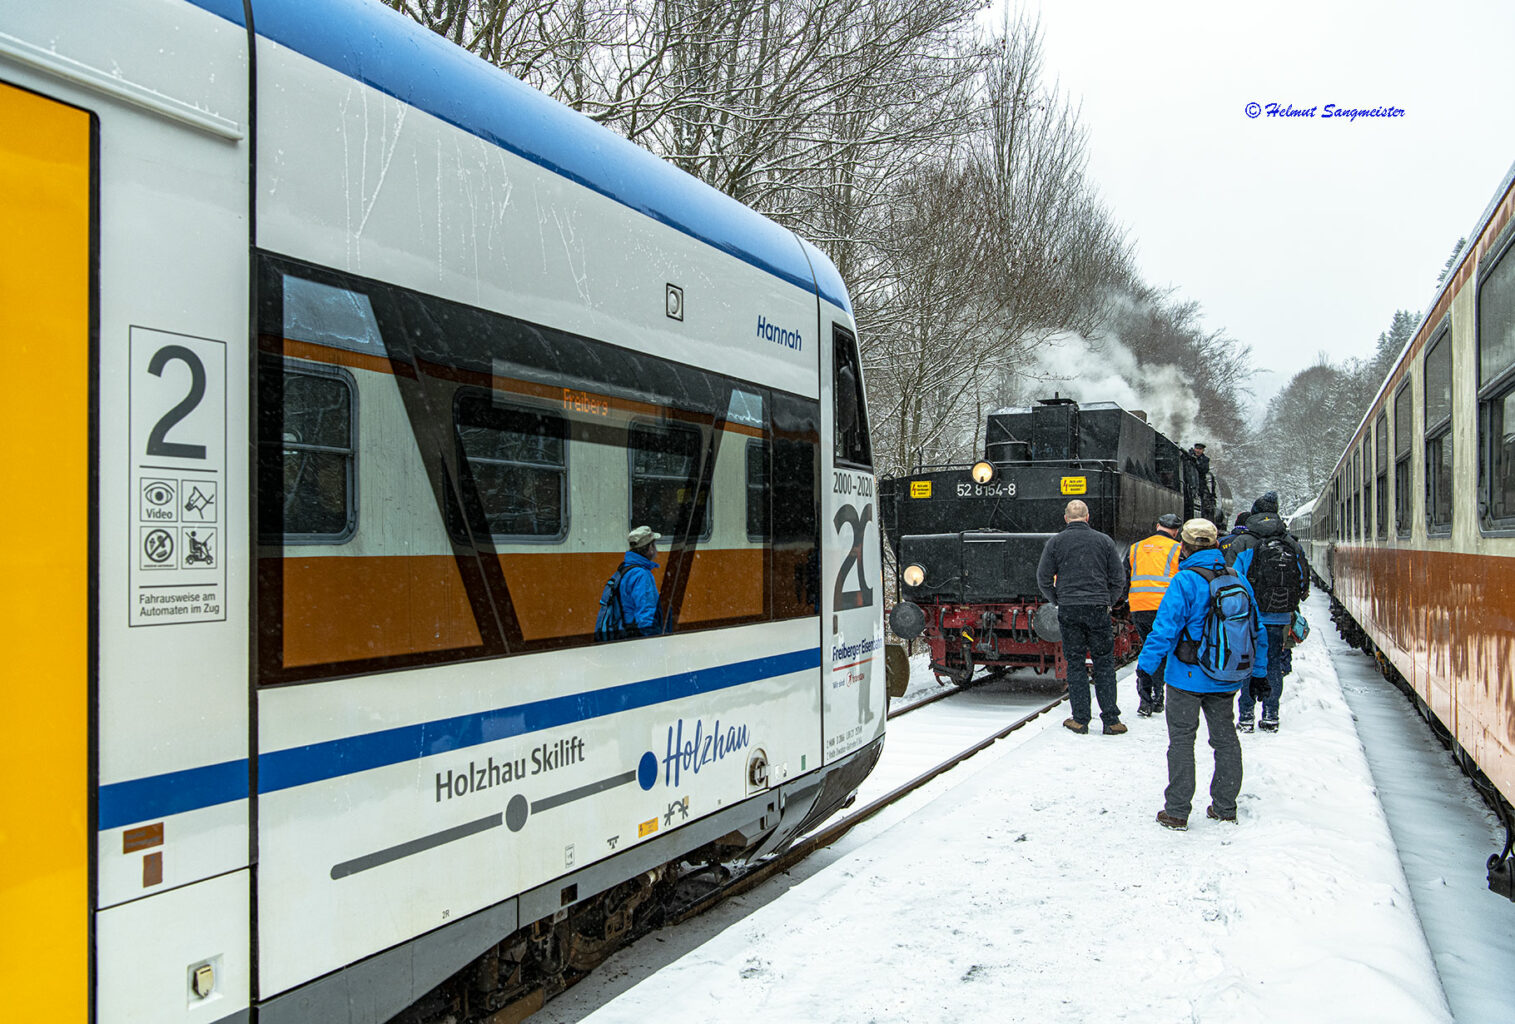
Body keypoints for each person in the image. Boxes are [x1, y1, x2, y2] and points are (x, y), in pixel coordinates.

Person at [1136, 518, 1268, 830]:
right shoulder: (1237, 578)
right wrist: (1259, 672)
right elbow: (1257, 630)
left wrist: (1145, 668)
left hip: (1186, 677)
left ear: (1184, 546)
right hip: (1225, 676)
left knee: (1181, 741)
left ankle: (1177, 811)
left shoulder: (1184, 581)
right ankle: (1224, 807)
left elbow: (1164, 631)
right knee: (1225, 740)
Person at [1036, 499, 1128, 735]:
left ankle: (1080, 719)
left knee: (1075, 663)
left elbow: (1043, 579)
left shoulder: (1055, 542)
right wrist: (1107, 599)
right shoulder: (1104, 541)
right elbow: (1118, 579)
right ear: (1088, 517)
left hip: (1070, 608)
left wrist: (1058, 599)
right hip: (1098, 608)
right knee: (1104, 663)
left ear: (1066, 518)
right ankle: (1111, 720)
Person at [1226, 492, 1308, 732]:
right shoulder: (1290, 542)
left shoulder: (1242, 543)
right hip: (1280, 616)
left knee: (1248, 663)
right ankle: (1271, 713)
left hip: (1248, 617)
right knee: (1273, 663)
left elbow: (1230, 579)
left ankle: (1246, 715)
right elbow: (1303, 579)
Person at [1124, 512, 1183, 717]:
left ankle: (1145, 699)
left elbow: (1125, 577)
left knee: (1147, 649)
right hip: (1166, 608)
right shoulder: (1178, 549)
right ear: (1176, 531)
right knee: (1163, 651)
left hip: (1140, 607)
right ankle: (1158, 696)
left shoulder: (1136, 547)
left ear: (1157, 525)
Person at [595, 526, 665, 640]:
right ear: (649, 548)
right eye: (654, 545)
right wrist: (652, 642)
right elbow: (646, 615)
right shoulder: (641, 575)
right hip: (636, 637)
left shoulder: (624, 570)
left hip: (623, 634)